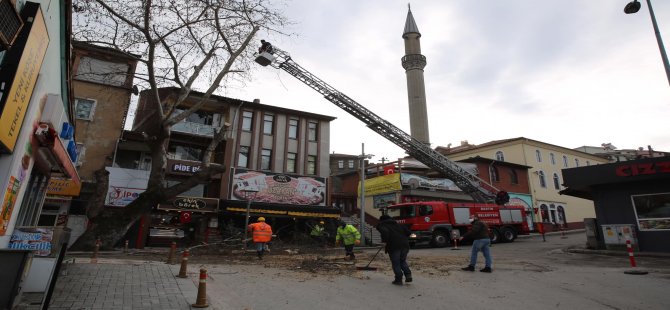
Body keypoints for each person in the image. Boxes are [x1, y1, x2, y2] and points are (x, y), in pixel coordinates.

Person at [376, 214, 412, 285]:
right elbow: (409, 233)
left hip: (393, 246)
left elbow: (385, 232)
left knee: (396, 263)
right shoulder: (399, 224)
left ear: (381, 220)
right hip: (405, 245)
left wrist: (384, 241)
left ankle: (398, 279)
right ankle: (408, 275)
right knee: (402, 261)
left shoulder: (382, 225)